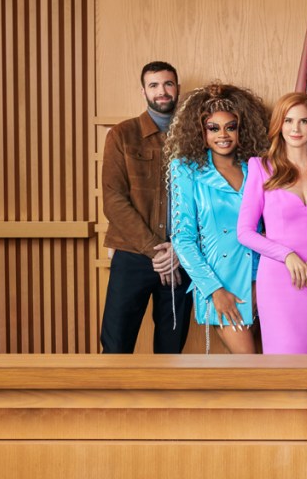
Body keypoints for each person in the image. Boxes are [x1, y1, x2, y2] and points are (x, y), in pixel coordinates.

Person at [167, 83, 269, 353]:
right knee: (250, 367)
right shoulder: (185, 170)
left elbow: (266, 230)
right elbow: (183, 238)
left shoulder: (256, 168)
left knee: (270, 365)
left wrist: (260, 281)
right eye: (213, 128)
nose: (223, 135)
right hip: (219, 283)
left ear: (241, 129)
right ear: (201, 132)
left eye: (230, 127)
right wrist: (214, 291)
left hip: (261, 281)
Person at [100, 61, 193, 353]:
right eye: (154, 85)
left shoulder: (193, 136)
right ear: (143, 91)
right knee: (116, 342)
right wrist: (156, 250)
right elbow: (114, 199)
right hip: (133, 253)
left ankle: (165, 400)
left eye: (168, 84)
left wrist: (176, 250)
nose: (162, 91)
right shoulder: (122, 135)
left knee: (171, 346)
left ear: (177, 89)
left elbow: (203, 200)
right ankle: (113, 400)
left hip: (181, 255)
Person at [238, 93, 307, 354]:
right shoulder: (261, 168)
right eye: (289, 120)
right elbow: (244, 232)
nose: (295, 128)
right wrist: (287, 255)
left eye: (303, 121)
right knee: (284, 361)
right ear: (279, 124)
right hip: (279, 279)